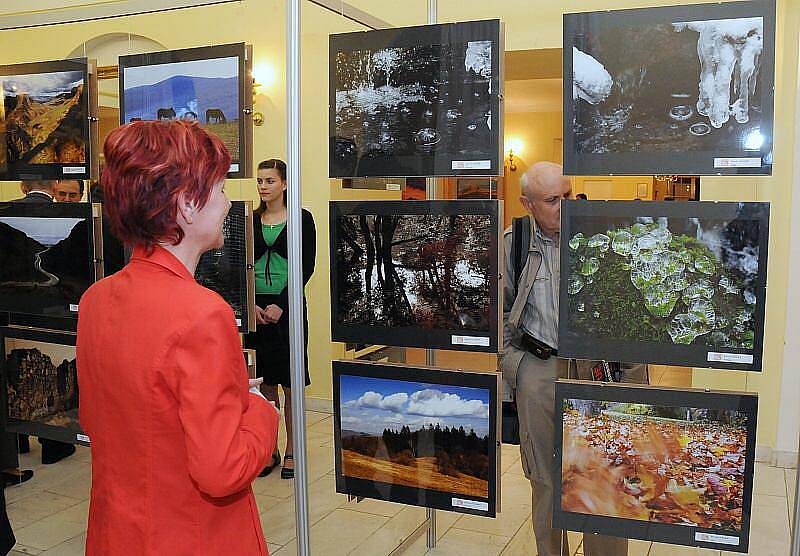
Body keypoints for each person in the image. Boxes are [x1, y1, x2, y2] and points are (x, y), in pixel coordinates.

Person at [76, 120, 280, 555]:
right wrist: (261, 410)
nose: (227, 204)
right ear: (187, 204)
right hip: (191, 536)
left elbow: (110, 420)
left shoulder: (96, 300)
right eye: (221, 188)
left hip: (119, 534)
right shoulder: (203, 313)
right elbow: (223, 469)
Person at [501, 162, 635, 556]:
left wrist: (631, 381)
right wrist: (516, 368)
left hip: (594, 370)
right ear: (528, 204)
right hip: (539, 370)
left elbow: (627, 312)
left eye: (568, 194)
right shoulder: (515, 243)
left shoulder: (600, 239)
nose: (565, 205)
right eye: (552, 200)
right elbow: (498, 312)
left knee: (604, 475)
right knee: (545, 478)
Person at [244, 159, 316, 479]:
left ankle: (293, 451)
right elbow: (240, 262)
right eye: (260, 181)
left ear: (285, 184)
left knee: (290, 385)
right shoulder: (249, 219)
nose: (263, 186)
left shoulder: (302, 219)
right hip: (256, 310)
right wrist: (251, 305)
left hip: (288, 310)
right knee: (266, 385)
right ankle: (268, 449)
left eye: (270, 181)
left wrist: (282, 306)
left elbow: (306, 266)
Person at [11, 181, 77, 467]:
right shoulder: (76, 223)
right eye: (63, 193)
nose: (66, 199)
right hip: (54, 306)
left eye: (73, 195)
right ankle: (53, 443)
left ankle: (19, 439)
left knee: (19, 367)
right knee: (51, 370)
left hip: (16, 305)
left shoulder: (9, 214)